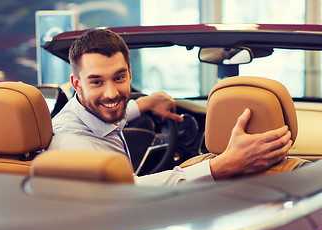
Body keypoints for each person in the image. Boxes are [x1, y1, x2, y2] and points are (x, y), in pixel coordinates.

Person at [48, 29, 292, 185]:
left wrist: (144, 104)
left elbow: (109, 116)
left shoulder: (83, 112)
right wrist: (222, 165)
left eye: (119, 78)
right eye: (97, 82)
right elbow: (129, 193)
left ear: (130, 73)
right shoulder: (73, 145)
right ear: (76, 84)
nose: (111, 93)